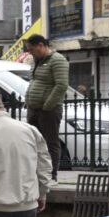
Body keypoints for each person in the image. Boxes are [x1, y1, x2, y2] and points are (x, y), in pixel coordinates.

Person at [24, 34, 68, 181]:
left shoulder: (57, 60)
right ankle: (34, 174)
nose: (30, 52)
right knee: (32, 142)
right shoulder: (36, 61)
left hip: (48, 110)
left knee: (50, 142)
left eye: (32, 49)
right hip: (34, 108)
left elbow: (61, 85)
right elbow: (34, 82)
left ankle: (51, 175)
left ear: (41, 45)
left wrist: (48, 105)